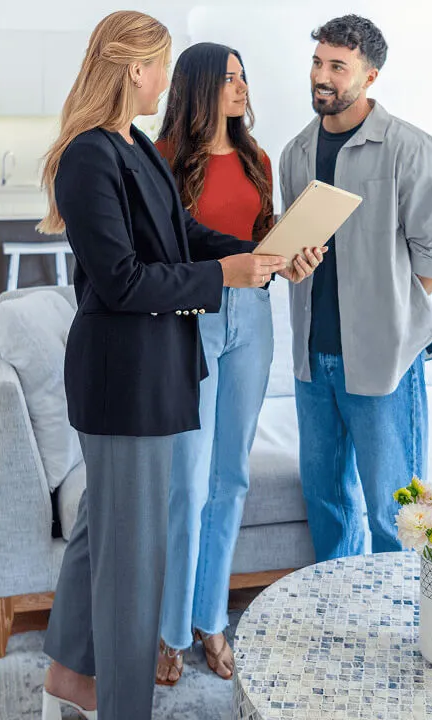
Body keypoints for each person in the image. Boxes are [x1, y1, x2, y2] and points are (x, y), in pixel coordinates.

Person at [35, 12, 296, 720]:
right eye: (161, 65)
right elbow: (120, 280)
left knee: (101, 532)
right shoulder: (88, 156)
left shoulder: (136, 148)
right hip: (123, 380)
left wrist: (258, 259)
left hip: (151, 373)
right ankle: (123, 707)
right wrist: (224, 279)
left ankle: (71, 679)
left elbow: (183, 234)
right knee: (131, 560)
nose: (167, 78)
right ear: (132, 70)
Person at [152, 42, 324, 686]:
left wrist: (292, 256)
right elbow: (166, 259)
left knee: (232, 480)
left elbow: (259, 246)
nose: (242, 87)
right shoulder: (162, 160)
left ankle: (211, 622)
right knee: (188, 485)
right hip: (190, 323)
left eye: (244, 76)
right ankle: (170, 632)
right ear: (198, 88)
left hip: (252, 320)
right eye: (228, 78)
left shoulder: (257, 159)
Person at [279, 15, 432, 562]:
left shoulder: (410, 148)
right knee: (327, 501)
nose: (322, 76)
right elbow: (292, 247)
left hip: (384, 365)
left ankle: (402, 627)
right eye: (318, 62)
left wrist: (391, 317)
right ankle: (341, 613)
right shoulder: (295, 154)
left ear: (370, 76)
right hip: (314, 361)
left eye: (338, 66)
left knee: (394, 512)